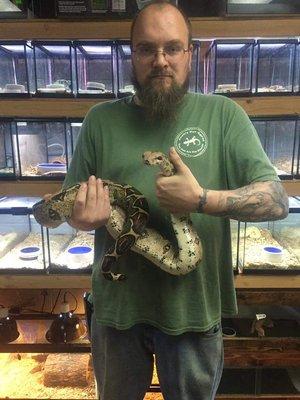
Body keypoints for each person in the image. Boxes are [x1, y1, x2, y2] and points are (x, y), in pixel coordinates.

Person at [62, 1, 289, 399]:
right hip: (116, 315)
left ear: (191, 53)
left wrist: (202, 198)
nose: (160, 60)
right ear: (132, 55)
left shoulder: (224, 115)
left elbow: (276, 201)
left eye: (172, 48)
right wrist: (81, 218)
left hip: (193, 316)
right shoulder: (100, 120)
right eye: (147, 49)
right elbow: (69, 207)